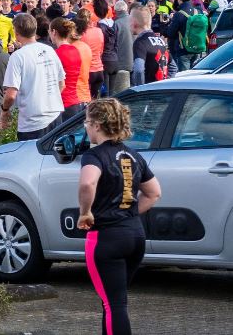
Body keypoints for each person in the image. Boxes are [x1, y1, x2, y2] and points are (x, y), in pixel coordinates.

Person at [78, 98, 162, 335]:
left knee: (114, 304)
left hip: (106, 239)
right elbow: (154, 193)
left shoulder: (94, 156)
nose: (86, 127)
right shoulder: (134, 155)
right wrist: (128, 211)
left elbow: (87, 183)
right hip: (135, 235)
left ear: (96, 125)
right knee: (114, 301)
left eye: (86, 122)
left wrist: (86, 213)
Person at [2, 14, 65, 141]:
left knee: (32, 159)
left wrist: (4, 110)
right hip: (55, 116)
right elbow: (62, 84)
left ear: (16, 32)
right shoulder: (50, 50)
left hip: (33, 122)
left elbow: (10, 95)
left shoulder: (17, 56)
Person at [163, 0, 202, 73]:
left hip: (183, 50)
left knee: (184, 77)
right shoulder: (197, 11)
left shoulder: (179, 14)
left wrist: (166, 25)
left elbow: (171, 33)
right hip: (197, 47)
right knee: (195, 74)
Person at [130, 6, 169, 85]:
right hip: (161, 88)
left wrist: (139, 89)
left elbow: (138, 70)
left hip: (149, 91)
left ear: (134, 23)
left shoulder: (140, 42)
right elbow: (173, 66)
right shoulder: (160, 40)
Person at [79, 7, 105, 99]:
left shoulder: (81, 35)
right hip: (99, 69)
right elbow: (101, 50)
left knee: (86, 105)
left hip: (88, 71)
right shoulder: (98, 31)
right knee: (96, 103)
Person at [109, 0, 134, 95]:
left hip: (122, 64)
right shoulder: (135, 21)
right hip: (137, 61)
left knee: (123, 95)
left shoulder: (116, 24)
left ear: (115, 11)